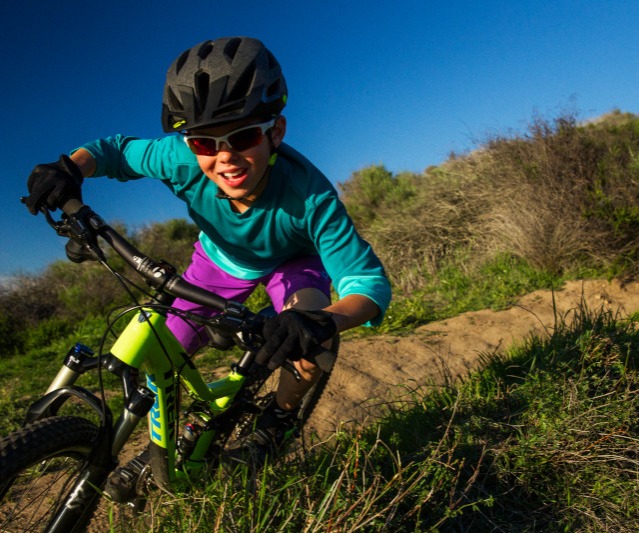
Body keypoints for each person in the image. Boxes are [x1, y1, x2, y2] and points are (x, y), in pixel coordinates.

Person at [25, 37, 391, 469]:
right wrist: (70, 167)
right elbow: (115, 152)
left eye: (244, 136)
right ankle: (180, 438)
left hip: (292, 263)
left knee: (311, 343)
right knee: (160, 360)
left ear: (275, 131)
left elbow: (367, 285)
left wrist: (325, 320)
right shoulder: (177, 158)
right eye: (203, 143)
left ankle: (278, 420)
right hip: (219, 262)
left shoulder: (310, 195)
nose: (225, 158)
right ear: (189, 143)